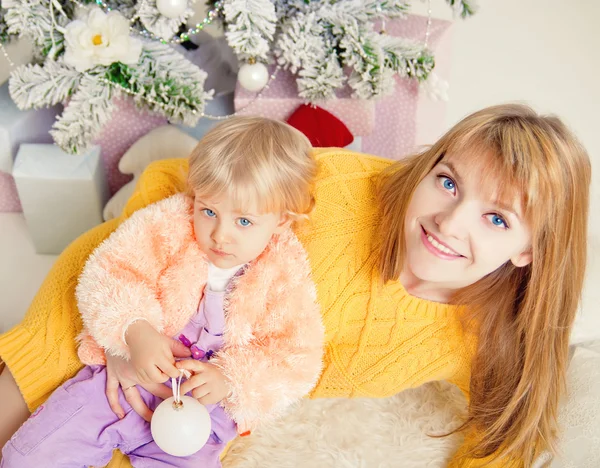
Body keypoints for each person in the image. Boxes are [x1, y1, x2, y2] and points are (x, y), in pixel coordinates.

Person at [0, 104, 591, 467]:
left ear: (531, 250)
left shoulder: (488, 336)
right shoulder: (342, 187)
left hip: (197, 385)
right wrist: (126, 336)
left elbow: (505, 439)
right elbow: (180, 189)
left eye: (497, 219)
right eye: (448, 182)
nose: (448, 221)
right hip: (121, 300)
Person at [0, 116, 324, 467]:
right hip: (117, 384)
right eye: (209, 211)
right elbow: (110, 270)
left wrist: (230, 380)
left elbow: (295, 357)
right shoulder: (168, 226)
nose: (219, 235)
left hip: (200, 414)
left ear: (282, 219)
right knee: (29, 457)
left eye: (243, 221)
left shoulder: (284, 275)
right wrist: (135, 331)